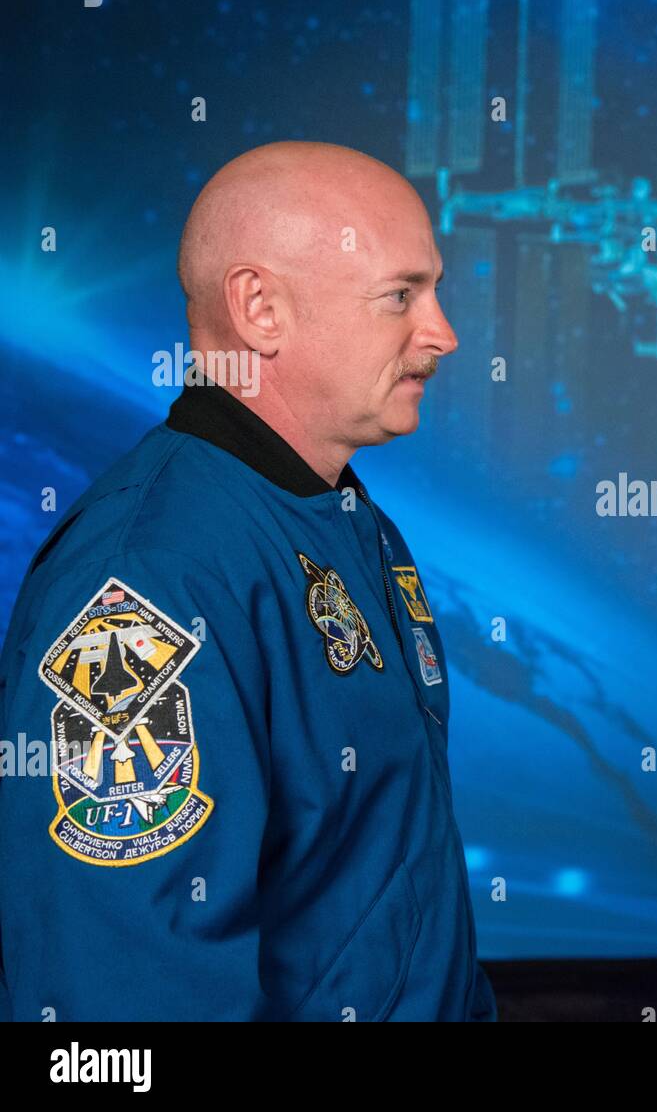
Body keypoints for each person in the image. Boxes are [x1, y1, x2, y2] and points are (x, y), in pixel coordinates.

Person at [0, 141, 495, 1021]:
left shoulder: (350, 524)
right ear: (260, 308)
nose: (443, 333)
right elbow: (120, 998)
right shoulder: (147, 578)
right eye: (401, 296)